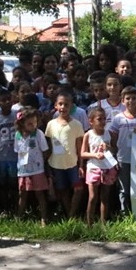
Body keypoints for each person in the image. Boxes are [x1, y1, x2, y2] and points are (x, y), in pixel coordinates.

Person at [109, 86, 136, 214]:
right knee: (124, 188)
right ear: (122, 101)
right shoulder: (118, 118)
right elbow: (113, 138)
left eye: (134, 98)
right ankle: (125, 212)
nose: (130, 101)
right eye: (127, 98)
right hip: (123, 157)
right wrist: (114, 153)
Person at [46, 91, 85, 219]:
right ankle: (69, 216)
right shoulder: (51, 124)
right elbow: (49, 146)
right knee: (63, 190)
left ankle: (73, 214)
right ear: (56, 105)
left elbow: (80, 147)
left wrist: (81, 165)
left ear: (71, 106)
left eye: (66, 104)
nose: (63, 107)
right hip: (56, 163)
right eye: (60, 104)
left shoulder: (77, 125)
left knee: (78, 189)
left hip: (73, 163)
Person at [80, 107, 117, 225]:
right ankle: (89, 224)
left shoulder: (109, 134)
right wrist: (95, 155)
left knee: (105, 197)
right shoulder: (88, 135)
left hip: (108, 168)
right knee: (92, 197)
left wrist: (109, 148)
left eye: (104, 119)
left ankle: (103, 223)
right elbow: (83, 153)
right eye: (99, 119)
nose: (102, 121)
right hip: (93, 168)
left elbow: (115, 149)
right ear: (91, 121)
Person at [14, 107, 51, 226]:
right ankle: (19, 217)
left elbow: (45, 150)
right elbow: (17, 151)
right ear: (22, 123)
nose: (33, 125)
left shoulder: (38, 134)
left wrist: (40, 162)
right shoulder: (17, 135)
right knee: (22, 193)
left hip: (37, 170)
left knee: (40, 194)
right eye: (29, 123)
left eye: (35, 123)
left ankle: (44, 218)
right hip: (23, 170)